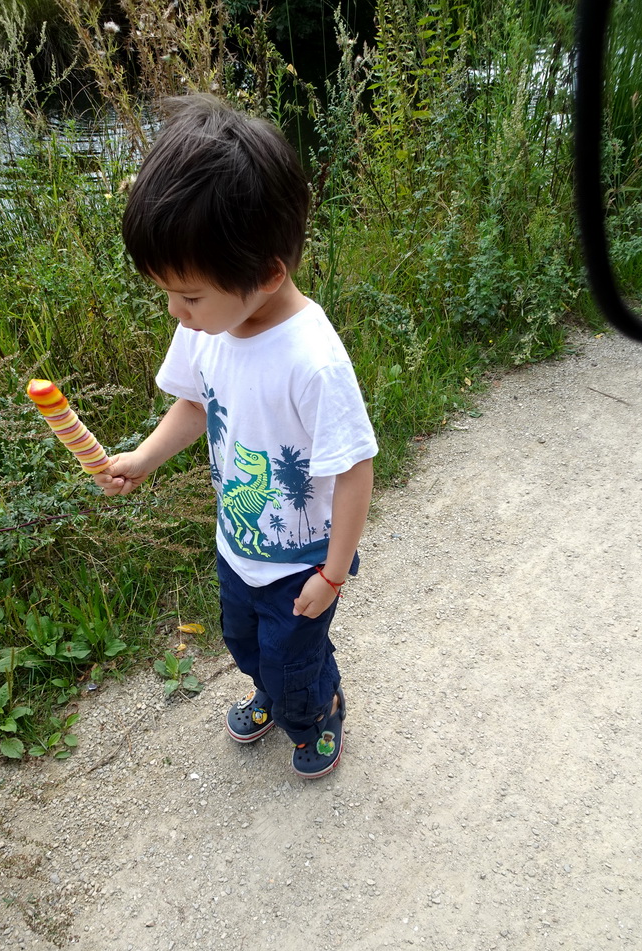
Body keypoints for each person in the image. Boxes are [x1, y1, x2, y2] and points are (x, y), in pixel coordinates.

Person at [95, 94, 377, 779]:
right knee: (247, 644)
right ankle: (274, 691)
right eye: (168, 292)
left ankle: (316, 714)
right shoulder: (210, 326)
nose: (175, 311)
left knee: (296, 660)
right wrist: (144, 457)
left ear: (268, 273)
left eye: (188, 295)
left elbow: (355, 469)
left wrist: (334, 574)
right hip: (238, 545)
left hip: (301, 563)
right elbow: (195, 405)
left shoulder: (312, 360)